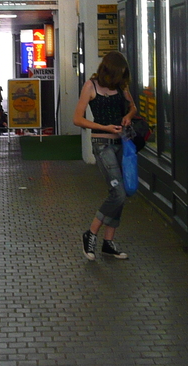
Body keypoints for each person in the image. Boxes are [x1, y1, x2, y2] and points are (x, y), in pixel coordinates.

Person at [72, 51, 136, 260]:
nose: (121, 78)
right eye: (119, 73)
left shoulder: (121, 86)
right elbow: (78, 119)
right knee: (118, 193)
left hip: (121, 143)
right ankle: (91, 233)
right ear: (108, 70)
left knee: (121, 192)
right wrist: (104, 127)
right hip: (102, 144)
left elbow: (133, 107)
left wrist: (127, 116)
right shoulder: (91, 86)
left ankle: (108, 242)